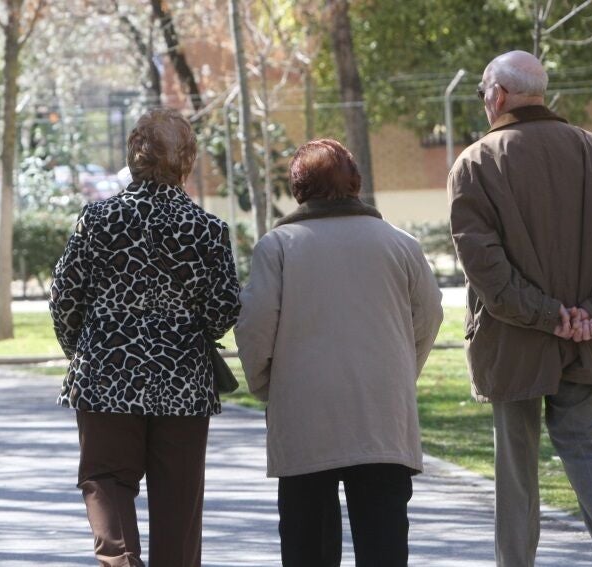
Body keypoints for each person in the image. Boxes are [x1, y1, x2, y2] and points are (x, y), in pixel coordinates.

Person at [448, 51, 592, 567]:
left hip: (513, 339)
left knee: (516, 462)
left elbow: (484, 265)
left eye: (483, 94)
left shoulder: (475, 163)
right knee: (590, 445)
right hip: (589, 336)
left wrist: (547, 315)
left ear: (497, 96)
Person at [236, 139, 444, 567]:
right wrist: (403, 371)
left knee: (307, 544)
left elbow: (254, 328)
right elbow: (429, 317)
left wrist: (267, 386)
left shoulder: (278, 246)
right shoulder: (400, 243)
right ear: (355, 183)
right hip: (382, 411)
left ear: (298, 187)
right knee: (384, 544)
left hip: (304, 411)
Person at [49, 107, 241, 567]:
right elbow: (223, 308)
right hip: (183, 382)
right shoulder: (208, 230)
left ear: (134, 155)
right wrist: (187, 331)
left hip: (106, 374)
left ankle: (120, 560)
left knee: (106, 479)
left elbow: (64, 295)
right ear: (186, 160)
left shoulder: (98, 219)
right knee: (179, 499)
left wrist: (82, 347)